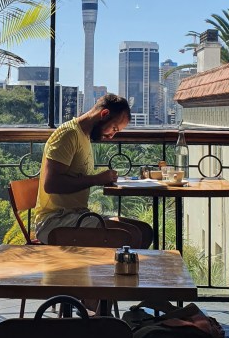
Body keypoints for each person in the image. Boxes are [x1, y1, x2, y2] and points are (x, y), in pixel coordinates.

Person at [34, 93, 153, 247]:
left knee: (144, 231)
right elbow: (51, 184)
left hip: (78, 215)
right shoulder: (69, 134)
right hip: (54, 221)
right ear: (104, 114)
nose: (111, 136)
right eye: (114, 128)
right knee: (132, 235)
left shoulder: (84, 136)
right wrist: (97, 179)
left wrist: (102, 179)